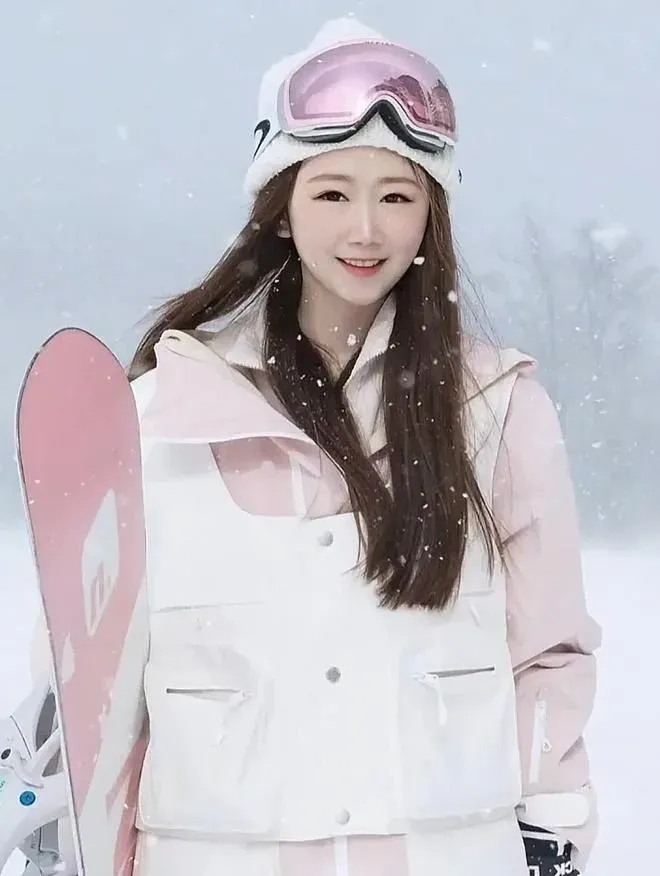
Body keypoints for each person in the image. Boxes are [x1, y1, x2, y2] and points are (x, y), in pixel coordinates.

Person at [5, 16, 601, 876]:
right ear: (280, 209)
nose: (366, 229)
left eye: (397, 196)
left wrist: (550, 821)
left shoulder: (497, 410)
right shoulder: (159, 414)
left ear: (431, 215)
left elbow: (547, 651)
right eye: (331, 194)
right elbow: (88, 678)